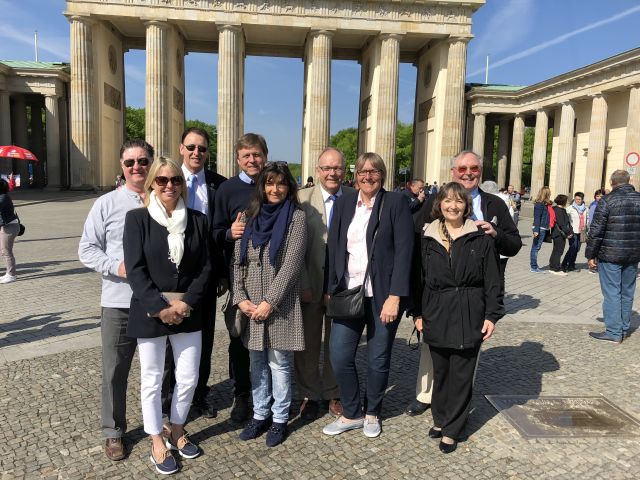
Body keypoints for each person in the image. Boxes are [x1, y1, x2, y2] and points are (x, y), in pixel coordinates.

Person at [407, 151, 521, 417]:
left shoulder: (494, 204)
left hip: (474, 293)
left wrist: (496, 233)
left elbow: (514, 244)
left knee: (468, 349)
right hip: (438, 293)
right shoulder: (437, 201)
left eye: (474, 168)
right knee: (432, 348)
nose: (468, 173)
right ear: (453, 172)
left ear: (480, 171)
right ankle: (426, 395)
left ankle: (458, 403)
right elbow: (416, 239)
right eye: (462, 169)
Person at [124, 157, 211, 474]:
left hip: (188, 310)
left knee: (187, 376)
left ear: (182, 184)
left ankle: (176, 428)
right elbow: (135, 269)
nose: (169, 185)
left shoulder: (198, 220)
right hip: (150, 310)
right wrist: (160, 307)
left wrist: (187, 303)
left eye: (175, 179)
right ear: (152, 185)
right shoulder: (137, 219)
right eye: (162, 180)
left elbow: (206, 267)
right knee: (152, 378)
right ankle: (156, 440)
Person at [323, 152, 413, 439]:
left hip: (383, 295)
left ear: (382, 175)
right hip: (349, 291)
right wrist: (330, 287)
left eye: (374, 171)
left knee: (378, 358)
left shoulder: (396, 202)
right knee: (339, 355)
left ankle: (373, 411)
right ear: (356, 176)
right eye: (362, 171)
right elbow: (334, 247)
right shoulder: (346, 202)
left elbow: (405, 252)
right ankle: (352, 412)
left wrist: (396, 296)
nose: (368, 176)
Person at [78, 139, 154, 461]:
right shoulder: (106, 203)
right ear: (121, 166)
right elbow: (86, 249)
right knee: (114, 371)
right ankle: (113, 431)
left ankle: (160, 422)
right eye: (130, 162)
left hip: (156, 301)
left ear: (152, 163)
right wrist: (116, 266)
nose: (137, 167)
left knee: (159, 369)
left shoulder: (166, 198)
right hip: (119, 301)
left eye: (143, 161)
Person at [416, 182, 503, 453]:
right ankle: (441, 419)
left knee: (462, 374)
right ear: (439, 204)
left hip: (469, 311)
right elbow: (418, 279)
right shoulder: (427, 237)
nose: (452, 206)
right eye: (447, 200)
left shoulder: (481, 238)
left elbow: (493, 281)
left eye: (459, 201)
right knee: (441, 372)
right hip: (436, 310)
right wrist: (417, 313)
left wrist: (492, 315)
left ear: (466, 206)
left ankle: (452, 429)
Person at [232, 162, 307, 447]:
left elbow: (291, 265)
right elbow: (237, 261)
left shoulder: (296, 218)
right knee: (257, 363)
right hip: (251, 303)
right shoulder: (247, 216)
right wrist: (241, 298)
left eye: (281, 183)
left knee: (280, 364)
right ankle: (259, 414)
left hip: (281, 305)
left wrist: (269, 302)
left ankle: (279, 418)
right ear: (262, 186)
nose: (275, 189)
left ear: (289, 187)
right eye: (269, 183)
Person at [162, 127, 226, 420]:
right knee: (169, 337)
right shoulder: (166, 181)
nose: (196, 152)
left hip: (207, 273)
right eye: (191, 147)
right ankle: (168, 397)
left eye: (201, 148)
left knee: (204, 338)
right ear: (181, 149)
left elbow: (221, 233)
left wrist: (222, 273)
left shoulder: (219, 185)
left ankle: (198, 394)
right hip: (172, 274)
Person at [212, 133, 268, 423]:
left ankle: (269, 394)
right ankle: (242, 394)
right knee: (239, 337)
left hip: (271, 276)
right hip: (240, 277)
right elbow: (213, 231)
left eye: (256, 154)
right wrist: (227, 233)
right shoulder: (227, 189)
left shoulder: (275, 184)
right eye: (246, 155)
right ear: (238, 159)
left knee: (271, 336)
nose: (252, 160)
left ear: (265, 156)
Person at [296, 147, 354, 420]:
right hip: (310, 282)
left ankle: (334, 393)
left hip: (344, 285)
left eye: (338, 168)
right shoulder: (301, 199)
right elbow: (294, 247)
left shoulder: (355, 197)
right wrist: (302, 283)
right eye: (327, 168)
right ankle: (309, 393)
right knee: (307, 343)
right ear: (318, 171)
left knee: (337, 344)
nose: (333, 173)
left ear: (345, 170)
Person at [586, 170, 640, 344]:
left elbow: (596, 231)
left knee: (612, 293)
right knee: (627, 292)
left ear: (611, 182)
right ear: (628, 181)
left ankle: (614, 332)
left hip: (610, 254)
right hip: (633, 254)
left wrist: (590, 255)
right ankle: (623, 327)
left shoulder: (607, 200)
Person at [562, 192, 587, 272]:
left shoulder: (586, 209)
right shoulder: (570, 208)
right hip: (573, 231)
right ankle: (564, 264)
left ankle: (571, 265)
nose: (577, 201)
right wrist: (567, 230)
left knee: (577, 249)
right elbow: (565, 218)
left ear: (582, 199)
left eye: (579, 199)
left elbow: (587, 219)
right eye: (576, 199)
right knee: (573, 248)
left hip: (582, 231)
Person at [0, 178, 19, 284]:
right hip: (6, 226)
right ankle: (9, 273)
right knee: (3, 251)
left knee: (7, 251)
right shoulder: (3, 196)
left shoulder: (3, 197)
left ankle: (12, 275)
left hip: (10, 227)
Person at [548, 194, 572, 276]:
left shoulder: (555, 209)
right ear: (563, 201)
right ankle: (556, 268)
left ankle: (552, 266)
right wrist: (568, 233)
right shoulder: (560, 211)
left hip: (556, 233)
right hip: (559, 234)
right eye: (566, 201)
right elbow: (562, 224)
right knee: (559, 251)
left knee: (555, 250)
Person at [530, 186, 552, 273]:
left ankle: (534, 266)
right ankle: (534, 267)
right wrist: (536, 230)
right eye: (549, 193)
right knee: (535, 248)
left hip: (543, 228)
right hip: (540, 228)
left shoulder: (545, 204)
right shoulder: (539, 204)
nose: (550, 194)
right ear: (546, 194)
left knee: (536, 248)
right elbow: (537, 218)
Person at [587, 189, 604, 274]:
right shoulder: (594, 205)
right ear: (595, 197)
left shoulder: (604, 204)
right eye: (597, 196)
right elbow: (591, 219)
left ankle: (597, 265)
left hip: (601, 229)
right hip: (594, 229)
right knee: (593, 248)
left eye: (601, 196)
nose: (599, 198)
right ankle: (591, 266)